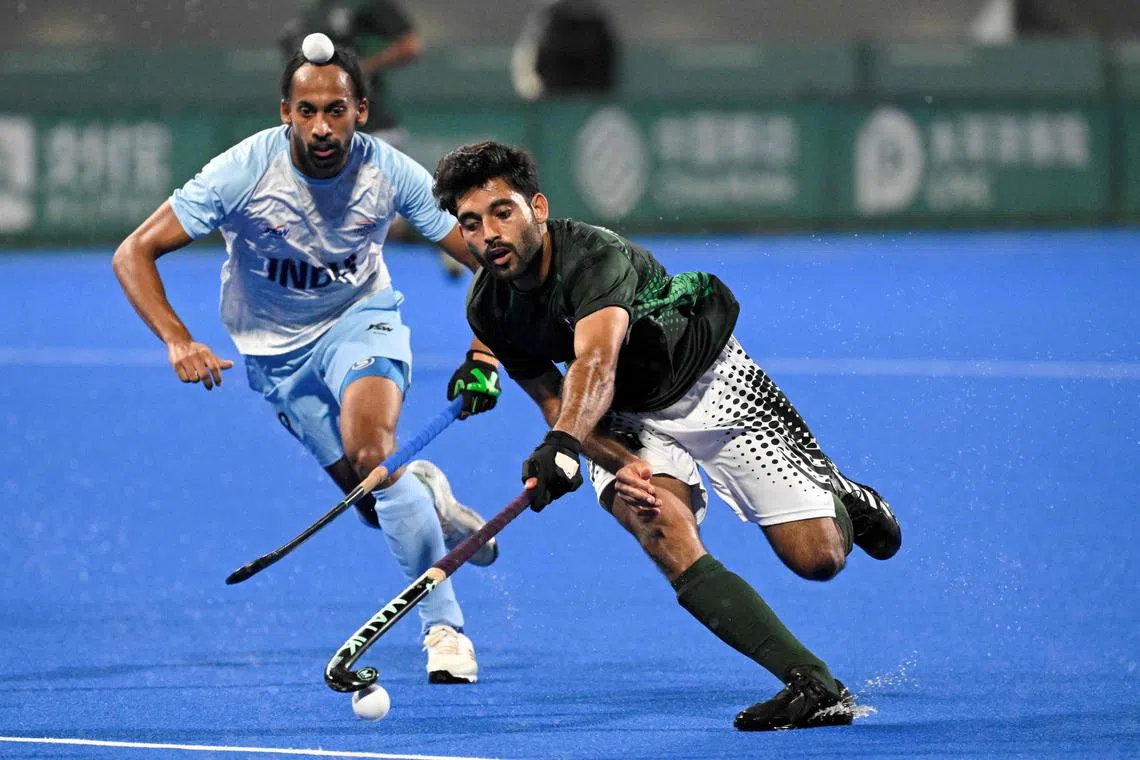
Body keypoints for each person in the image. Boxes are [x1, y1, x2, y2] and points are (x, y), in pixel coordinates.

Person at [433, 141, 902, 731]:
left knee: (819, 561)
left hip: (709, 383)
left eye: (503, 213)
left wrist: (564, 444)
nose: (489, 234)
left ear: (538, 208)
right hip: (619, 416)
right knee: (658, 527)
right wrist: (615, 458)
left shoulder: (593, 256)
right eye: (471, 223)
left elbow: (595, 364)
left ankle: (842, 495)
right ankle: (812, 685)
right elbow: (556, 401)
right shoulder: (489, 307)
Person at [111, 37, 506, 688]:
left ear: (362, 111)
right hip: (272, 354)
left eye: (337, 110)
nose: (322, 126)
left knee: (372, 455)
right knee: (372, 500)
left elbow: (489, 259)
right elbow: (134, 252)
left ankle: (445, 630)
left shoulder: (391, 173)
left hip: (361, 323)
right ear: (286, 113)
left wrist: (486, 349)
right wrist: (178, 340)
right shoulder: (241, 172)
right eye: (307, 110)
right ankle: (430, 499)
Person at [281, 0, 466, 279]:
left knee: (383, 219)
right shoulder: (307, 16)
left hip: (373, 125)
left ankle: (453, 242)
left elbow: (410, 44)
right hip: (325, 130)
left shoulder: (361, 5)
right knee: (339, 211)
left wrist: (362, 69)